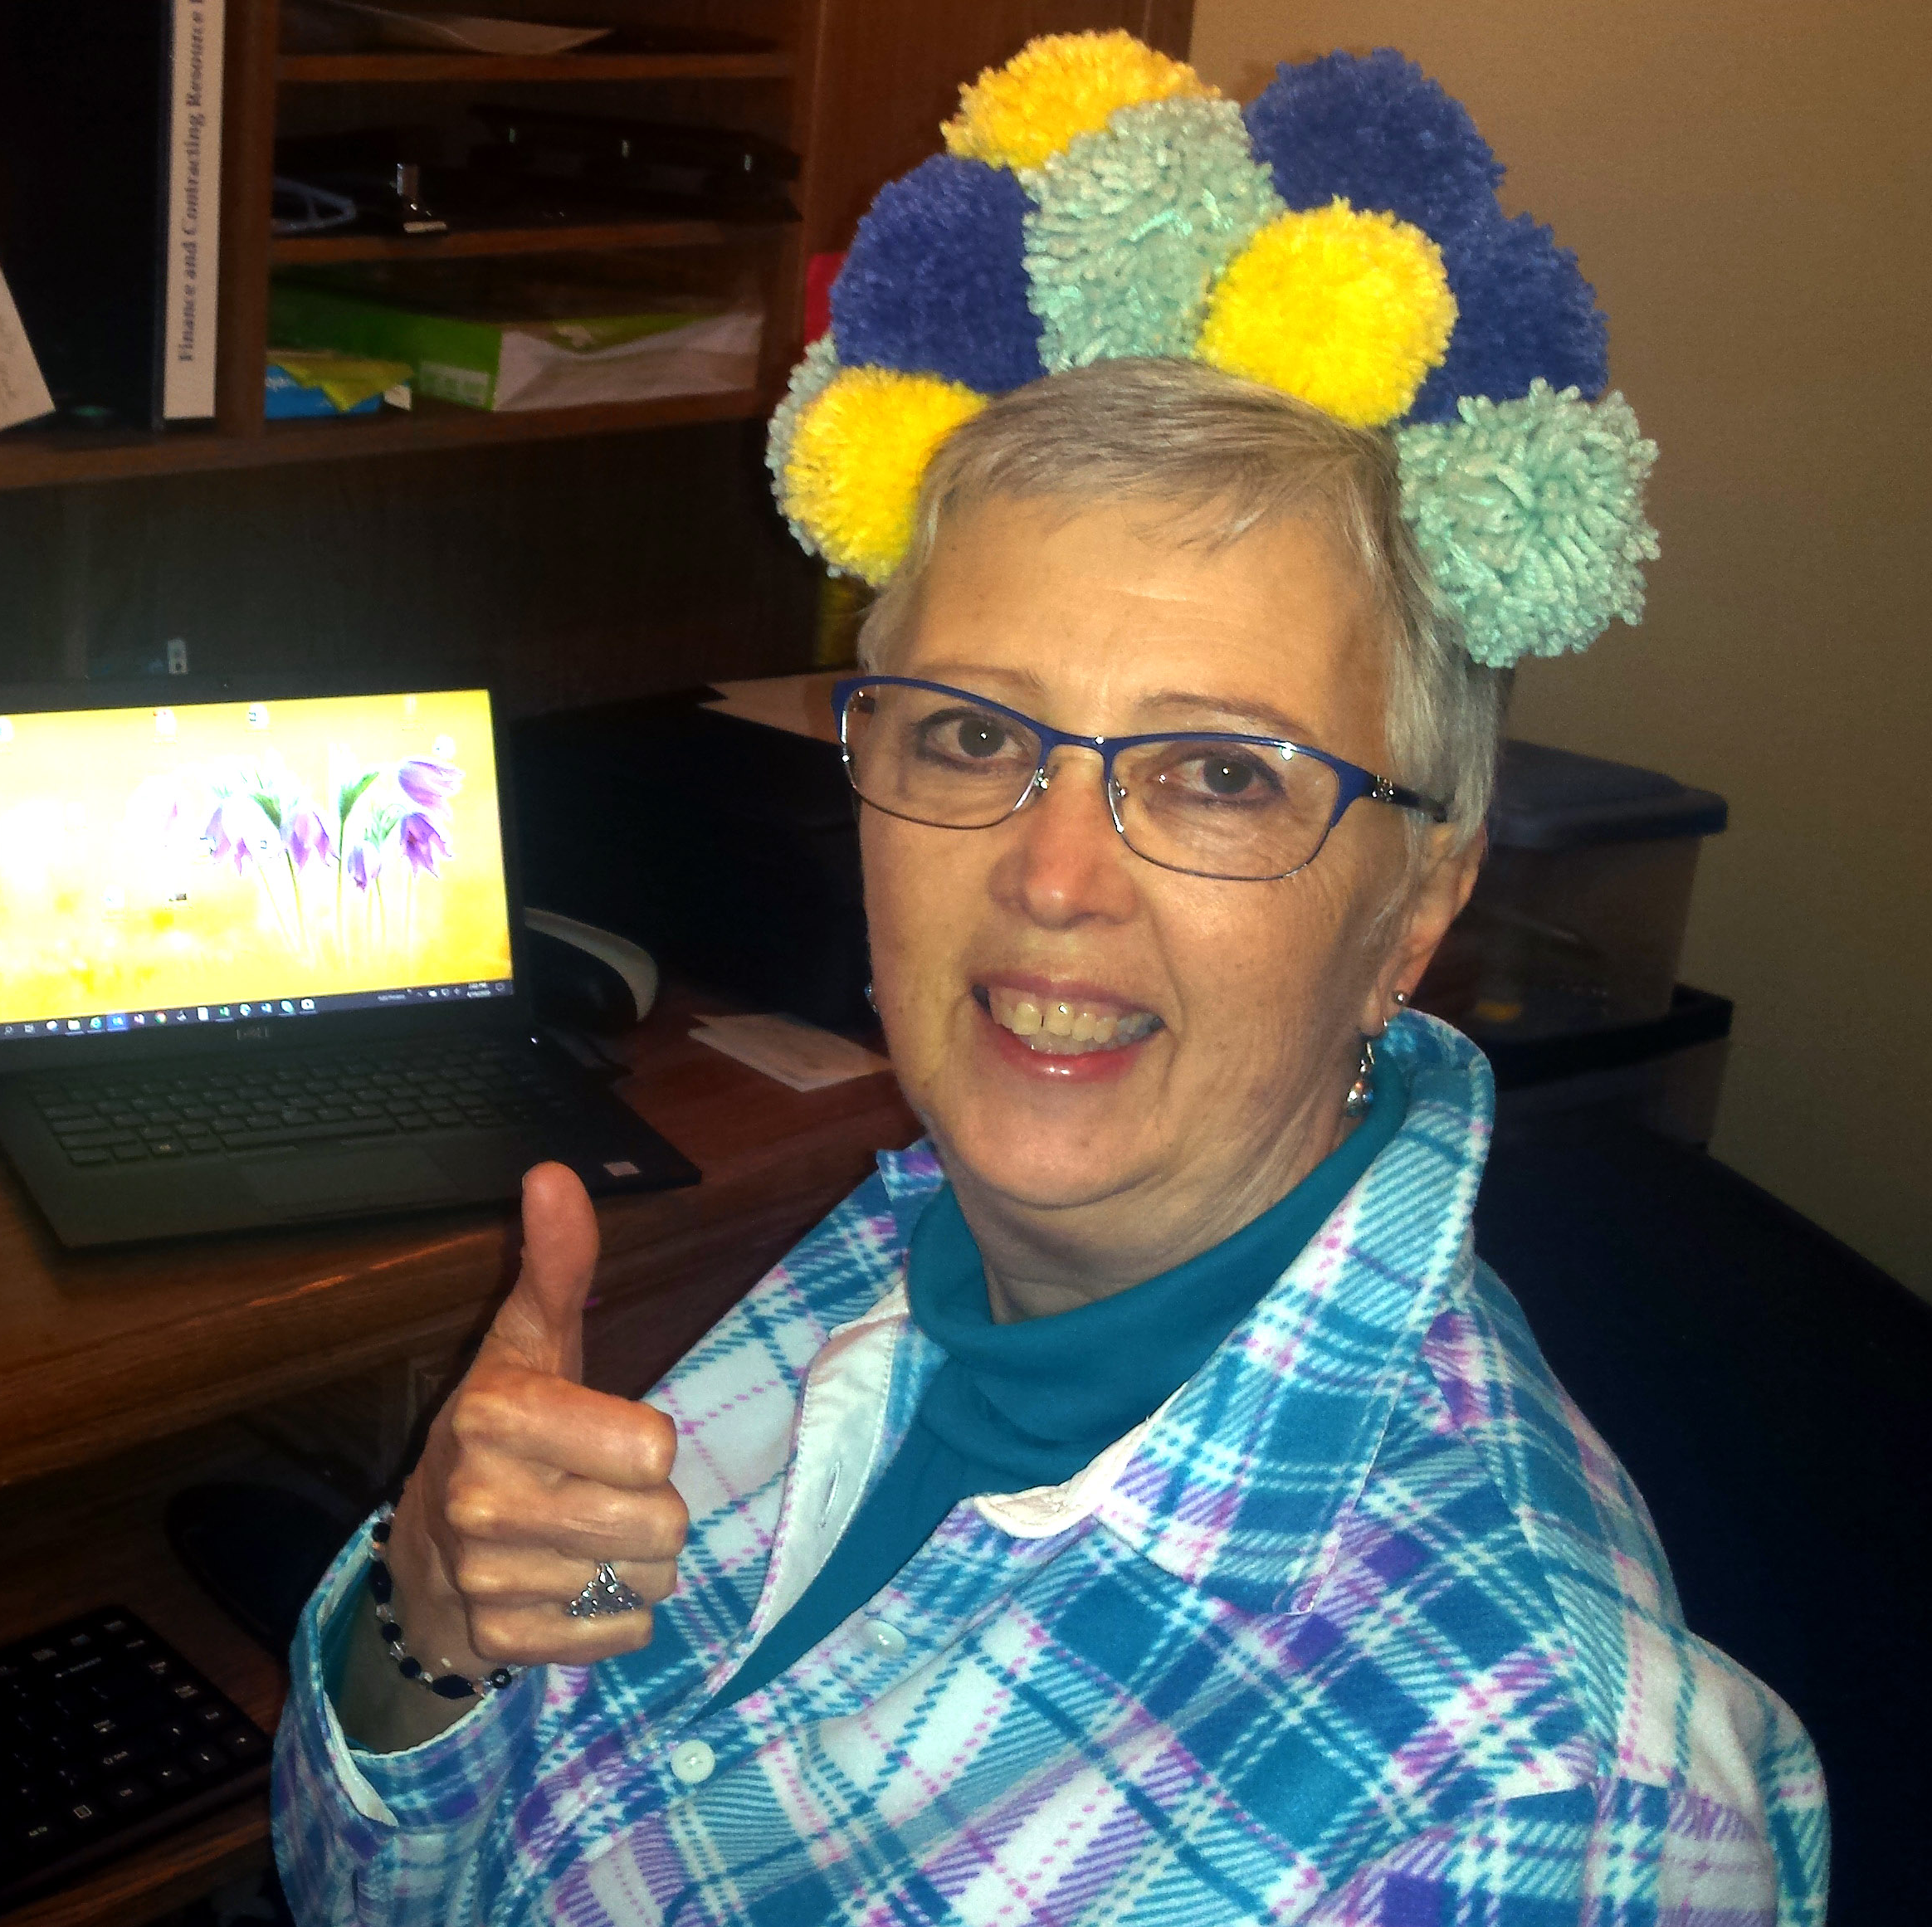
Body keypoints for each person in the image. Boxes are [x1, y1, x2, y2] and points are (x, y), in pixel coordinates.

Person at [271, 33, 1827, 1926]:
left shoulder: (1543, 1816)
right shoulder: (905, 1241)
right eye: (966, 736)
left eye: (1225, 772)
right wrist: (428, 1644)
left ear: (1414, 908)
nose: (1052, 879)